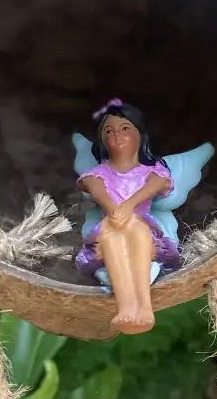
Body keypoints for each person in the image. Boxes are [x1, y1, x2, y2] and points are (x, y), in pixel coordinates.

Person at [76, 98, 180, 334]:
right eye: (109, 131)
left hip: (141, 228)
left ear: (139, 135)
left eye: (125, 129)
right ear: (102, 140)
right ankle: (126, 306)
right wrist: (113, 209)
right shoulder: (98, 174)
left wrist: (129, 205)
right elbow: (96, 189)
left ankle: (144, 306)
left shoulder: (152, 172)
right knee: (112, 233)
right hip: (108, 228)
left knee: (136, 227)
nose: (117, 136)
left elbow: (157, 185)